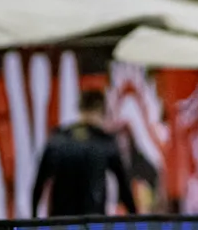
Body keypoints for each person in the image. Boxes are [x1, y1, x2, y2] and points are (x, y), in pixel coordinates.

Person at [32, 89, 138, 218]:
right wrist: (134, 219)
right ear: (101, 111)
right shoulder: (104, 142)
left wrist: (33, 218)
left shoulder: (58, 139)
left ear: (80, 109)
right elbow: (124, 187)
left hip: (60, 225)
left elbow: (39, 185)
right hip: (92, 224)